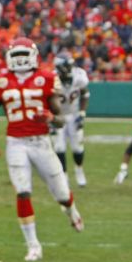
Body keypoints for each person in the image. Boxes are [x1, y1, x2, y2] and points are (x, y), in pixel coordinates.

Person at [0, 38, 83, 262]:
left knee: (62, 194)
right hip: (16, 143)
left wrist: (51, 118)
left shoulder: (46, 78)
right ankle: (33, 245)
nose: (20, 59)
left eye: (23, 54)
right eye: (16, 55)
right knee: (22, 192)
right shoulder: (0, 81)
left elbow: (61, 120)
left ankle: (71, 209)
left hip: (42, 142)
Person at [50, 52, 90, 186]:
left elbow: (85, 94)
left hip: (74, 114)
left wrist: (82, 114)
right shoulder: (52, 78)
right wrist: (52, 118)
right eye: (68, 65)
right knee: (59, 147)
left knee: (77, 148)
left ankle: (79, 171)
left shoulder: (79, 76)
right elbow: (47, 99)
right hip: (59, 115)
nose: (70, 67)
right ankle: (64, 176)